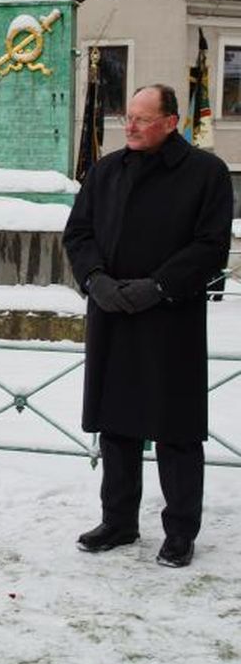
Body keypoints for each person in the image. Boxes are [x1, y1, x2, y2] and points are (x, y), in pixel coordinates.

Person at [63, 84, 233, 568]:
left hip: (169, 319)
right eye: (128, 117)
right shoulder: (106, 170)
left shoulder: (206, 173)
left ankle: (180, 530)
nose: (130, 126)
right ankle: (118, 520)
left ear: (171, 121)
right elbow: (79, 232)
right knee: (116, 423)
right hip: (112, 313)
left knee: (175, 429)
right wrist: (95, 280)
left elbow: (210, 247)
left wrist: (158, 287)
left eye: (142, 118)